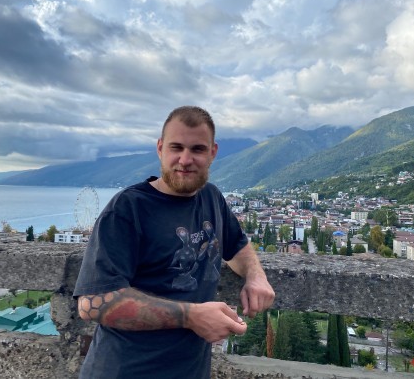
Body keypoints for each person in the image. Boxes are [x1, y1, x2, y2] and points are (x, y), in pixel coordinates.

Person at [73, 105, 275, 379]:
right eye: (176, 147)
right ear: (160, 148)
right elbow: (92, 302)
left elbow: (237, 246)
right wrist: (191, 316)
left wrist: (256, 276)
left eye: (197, 149)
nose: (185, 159)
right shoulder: (128, 208)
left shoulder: (212, 198)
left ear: (213, 152)